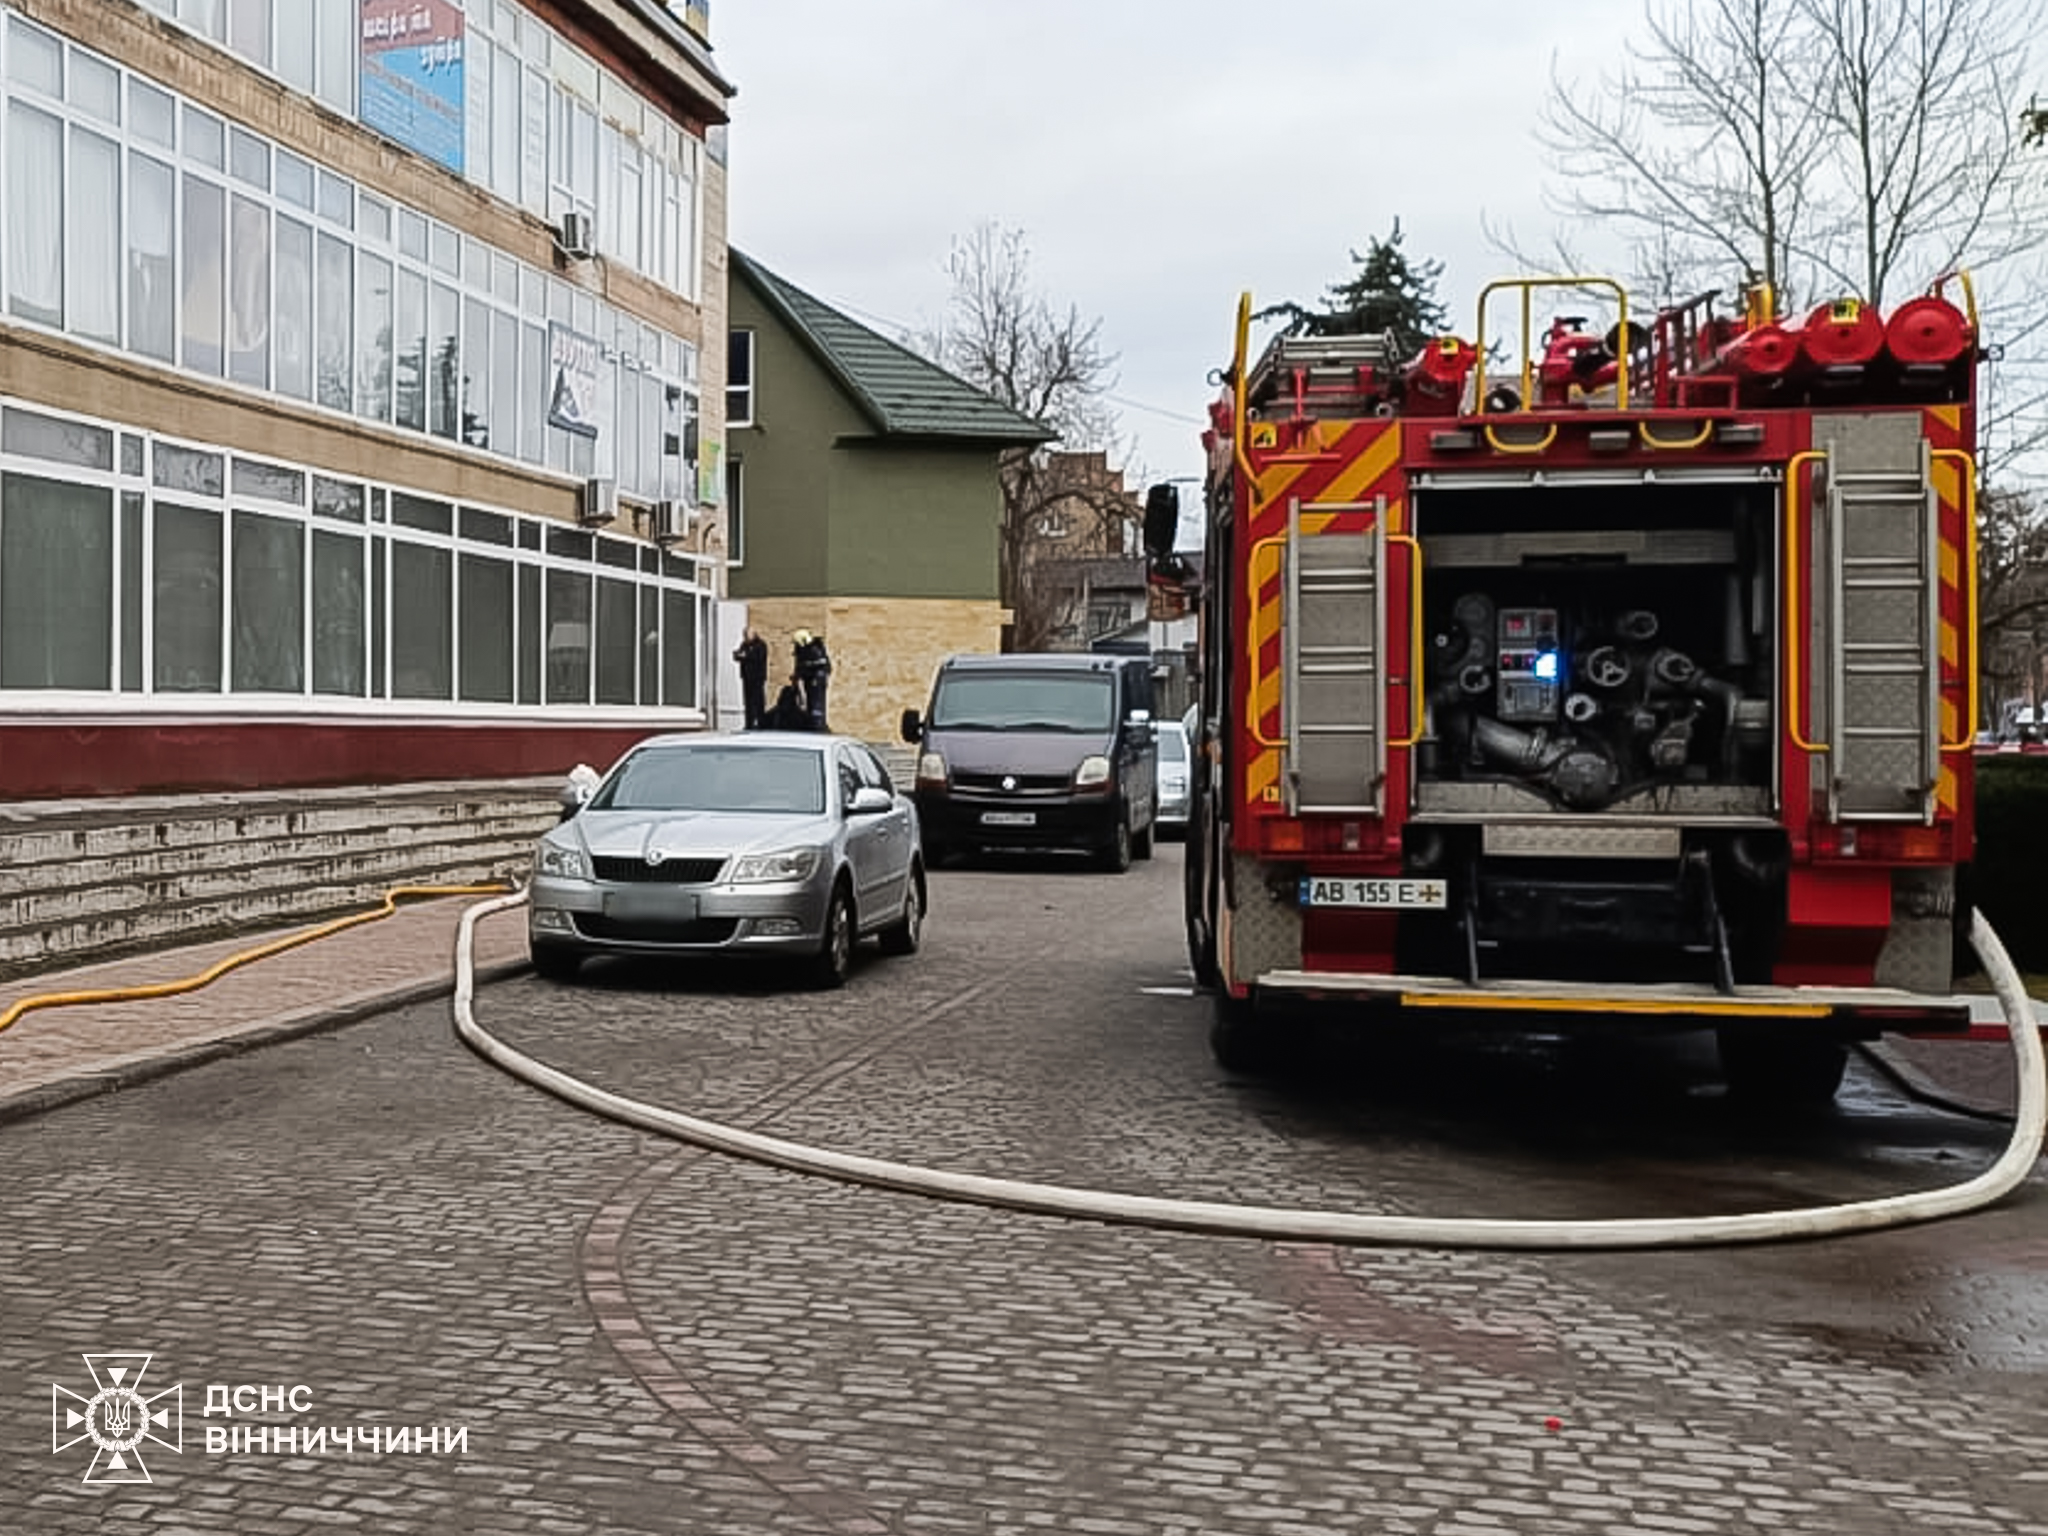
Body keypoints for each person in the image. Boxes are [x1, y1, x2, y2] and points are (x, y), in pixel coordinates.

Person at [793, 629, 832, 732]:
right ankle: (812, 723)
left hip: (816, 681)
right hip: (809, 680)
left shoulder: (815, 650)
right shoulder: (802, 650)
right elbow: (800, 665)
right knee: (810, 705)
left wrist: (804, 671)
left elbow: (820, 665)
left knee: (816, 706)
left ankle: (817, 726)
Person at [732, 628, 769, 729]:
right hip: (746, 677)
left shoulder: (761, 645)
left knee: (758, 700)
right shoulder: (744, 645)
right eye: (744, 635)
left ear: (753, 634)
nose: (745, 638)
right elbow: (739, 655)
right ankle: (749, 723)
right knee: (748, 701)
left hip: (757, 678)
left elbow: (758, 658)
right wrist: (739, 655)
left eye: (747, 635)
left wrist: (746, 656)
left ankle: (761, 722)